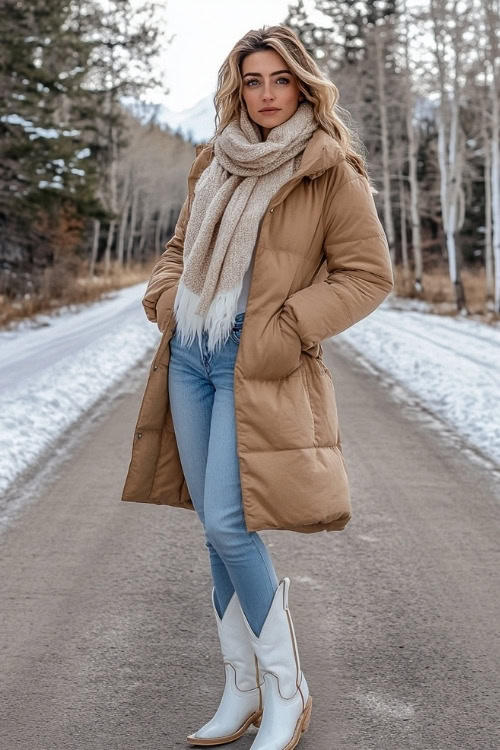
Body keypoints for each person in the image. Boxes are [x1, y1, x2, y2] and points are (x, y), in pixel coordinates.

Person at [121, 24, 394, 750]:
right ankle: (241, 691)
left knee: (228, 525)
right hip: (192, 357)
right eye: (252, 80)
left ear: (303, 84)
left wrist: (285, 328)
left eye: (280, 79)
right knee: (215, 533)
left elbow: (368, 276)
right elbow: (179, 248)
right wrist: (167, 301)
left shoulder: (330, 171)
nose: (266, 94)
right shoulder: (215, 160)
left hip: (256, 360)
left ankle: (286, 690)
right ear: (236, 87)